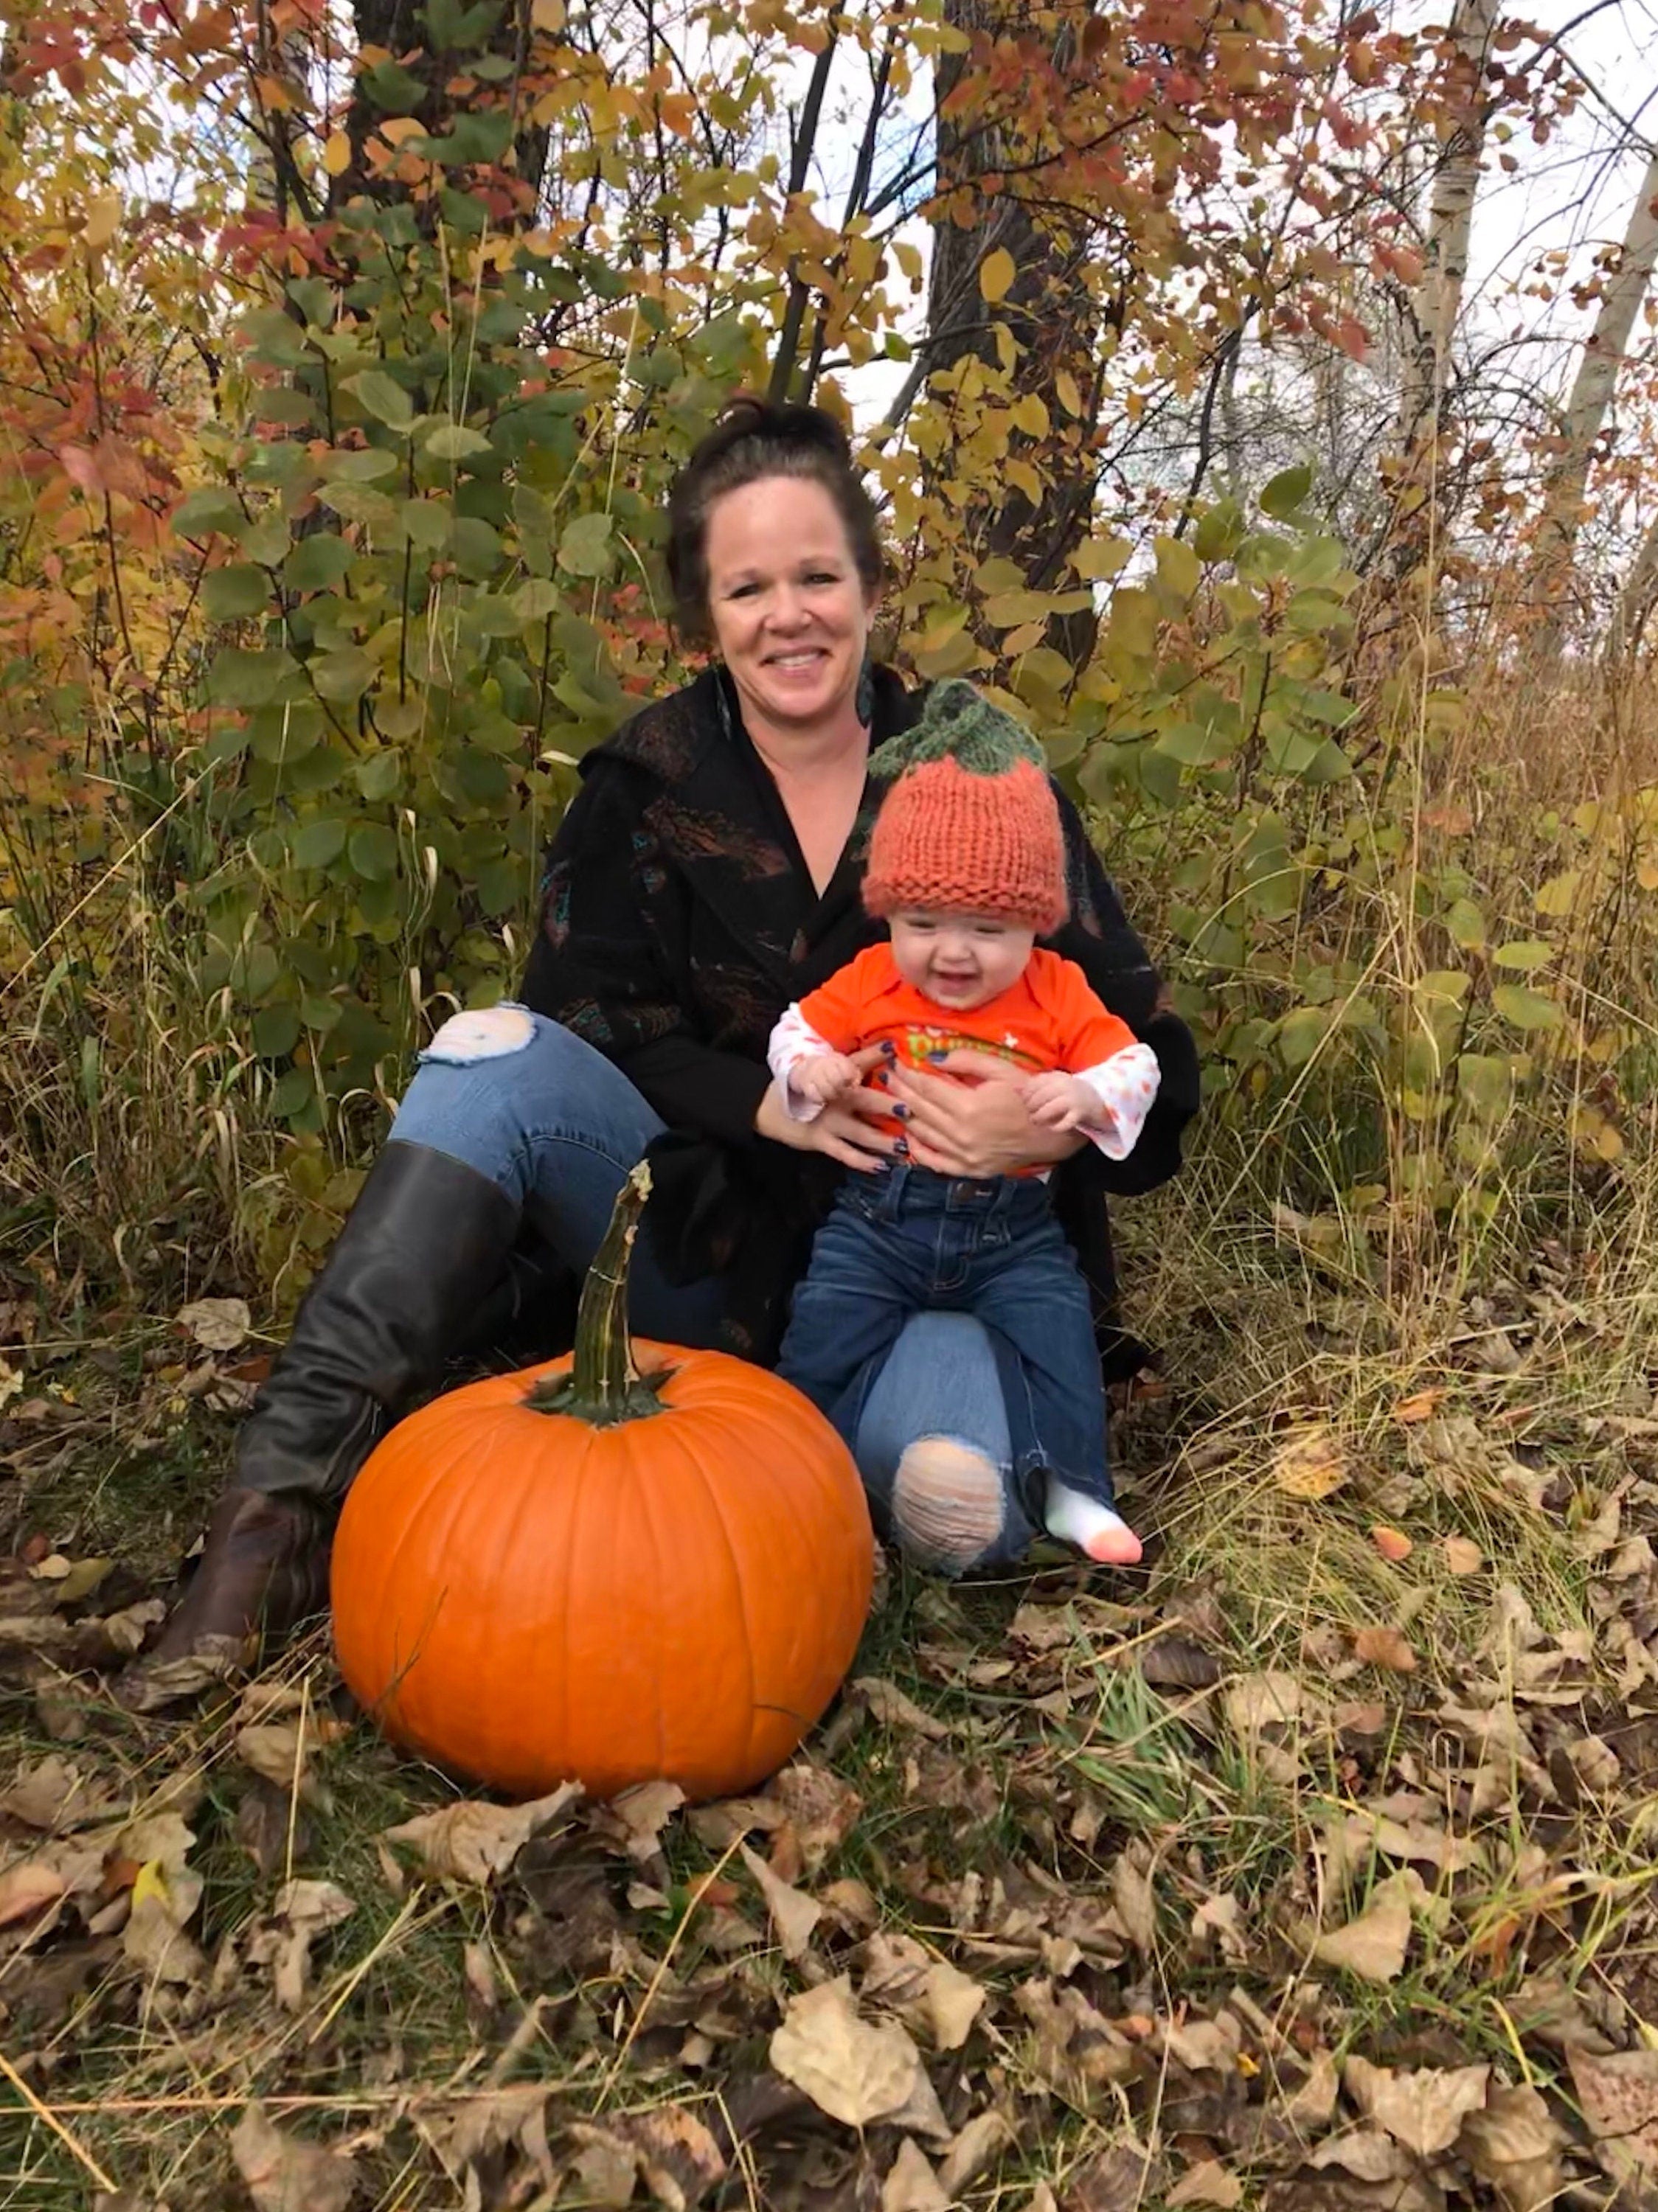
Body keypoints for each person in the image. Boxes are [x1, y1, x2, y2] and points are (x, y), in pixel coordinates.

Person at [134, 394, 1199, 1686]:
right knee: (490, 1054)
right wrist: (762, 1103)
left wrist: (1039, 1120)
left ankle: (896, 1472)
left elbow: (1146, 1057)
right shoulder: (647, 784)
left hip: (946, 1265)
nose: (787, 614)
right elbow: (582, 1027)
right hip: (707, 1246)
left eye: (817, 575)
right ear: (705, 613)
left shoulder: (976, 778)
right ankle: (276, 1520)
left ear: (868, 585)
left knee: (952, 1503)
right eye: (746, 586)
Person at [769, 678, 1160, 1566]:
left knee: (1061, 1337)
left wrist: (1087, 1101)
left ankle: (1072, 1488)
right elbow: (792, 1031)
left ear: (1034, 925)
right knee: (821, 1333)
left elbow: (1136, 1063)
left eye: (985, 928)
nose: (950, 952)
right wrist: (813, 1070)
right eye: (923, 921)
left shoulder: (1056, 992)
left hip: (1010, 1232)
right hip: (878, 1220)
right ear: (890, 912)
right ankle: (795, 1479)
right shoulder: (873, 978)